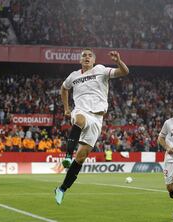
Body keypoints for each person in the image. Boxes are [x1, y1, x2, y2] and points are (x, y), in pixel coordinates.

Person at [54, 48, 129, 205]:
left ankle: (61, 189)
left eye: (89, 56)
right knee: (79, 120)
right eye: (84, 56)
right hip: (81, 111)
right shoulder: (73, 76)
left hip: (97, 118)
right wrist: (67, 108)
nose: (87, 57)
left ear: (94, 60)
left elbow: (124, 72)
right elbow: (63, 88)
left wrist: (118, 61)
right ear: (80, 60)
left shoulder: (101, 70)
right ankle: (67, 156)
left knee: (81, 157)